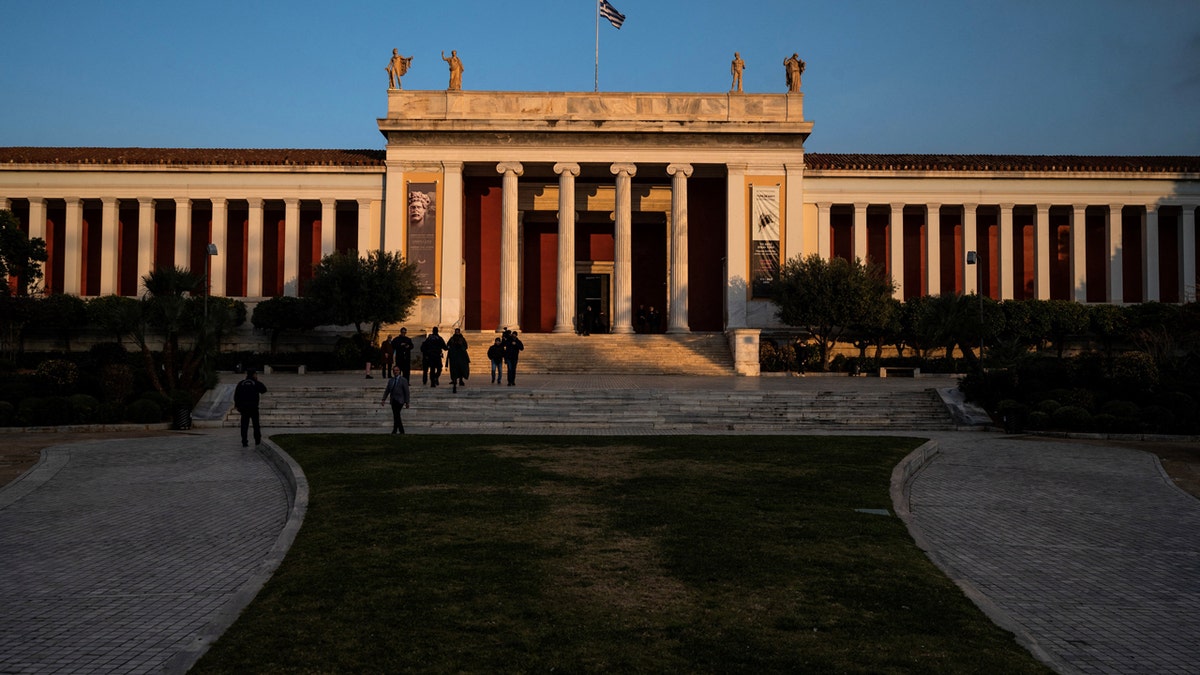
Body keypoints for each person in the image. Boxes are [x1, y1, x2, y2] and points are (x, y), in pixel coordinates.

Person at [233, 369, 268, 448]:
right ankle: (257, 441)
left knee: (244, 425)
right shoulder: (256, 383)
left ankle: (244, 442)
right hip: (253, 407)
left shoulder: (241, 383)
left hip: (244, 408)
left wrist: (237, 406)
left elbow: (236, 395)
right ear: (254, 375)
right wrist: (257, 381)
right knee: (256, 425)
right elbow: (264, 390)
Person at [380, 365, 411, 434]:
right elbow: (387, 390)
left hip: (400, 400)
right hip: (393, 400)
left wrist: (407, 402)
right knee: (396, 415)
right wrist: (383, 399)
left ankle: (398, 430)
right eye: (394, 371)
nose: (395, 372)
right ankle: (398, 430)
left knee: (396, 414)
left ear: (399, 371)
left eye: (397, 370)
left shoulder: (403, 380)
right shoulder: (391, 380)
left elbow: (406, 392)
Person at [446, 327, 470, 393]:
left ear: (459, 332)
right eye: (456, 332)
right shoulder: (452, 339)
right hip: (454, 357)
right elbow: (448, 345)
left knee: (461, 369)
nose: (457, 333)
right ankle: (454, 381)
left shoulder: (462, 339)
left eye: (458, 332)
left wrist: (461, 348)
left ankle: (460, 380)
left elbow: (466, 346)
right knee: (454, 370)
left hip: (461, 357)